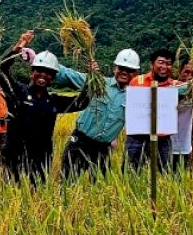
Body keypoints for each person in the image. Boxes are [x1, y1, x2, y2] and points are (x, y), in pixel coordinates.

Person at [0, 30, 90, 186]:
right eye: (39, 70)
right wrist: (18, 46)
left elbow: (82, 102)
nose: (43, 75)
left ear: (53, 78)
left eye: (49, 73)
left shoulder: (54, 101)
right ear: (32, 73)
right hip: (14, 157)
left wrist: (92, 76)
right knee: (11, 198)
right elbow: (0, 70)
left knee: (37, 201)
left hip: (41, 160)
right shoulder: (17, 92)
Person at [54, 46, 140, 180]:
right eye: (121, 68)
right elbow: (69, 75)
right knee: (67, 183)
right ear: (114, 68)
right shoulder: (98, 83)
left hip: (103, 149)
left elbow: (168, 92)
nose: (124, 72)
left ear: (135, 73)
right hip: (80, 142)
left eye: (129, 70)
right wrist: (41, 62)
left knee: (99, 190)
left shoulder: (136, 96)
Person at [126, 48, 186, 172]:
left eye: (168, 63)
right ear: (152, 64)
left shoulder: (176, 86)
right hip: (137, 138)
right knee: (132, 173)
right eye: (161, 62)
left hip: (163, 140)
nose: (164, 66)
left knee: (165, 174)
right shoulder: (137, 82)